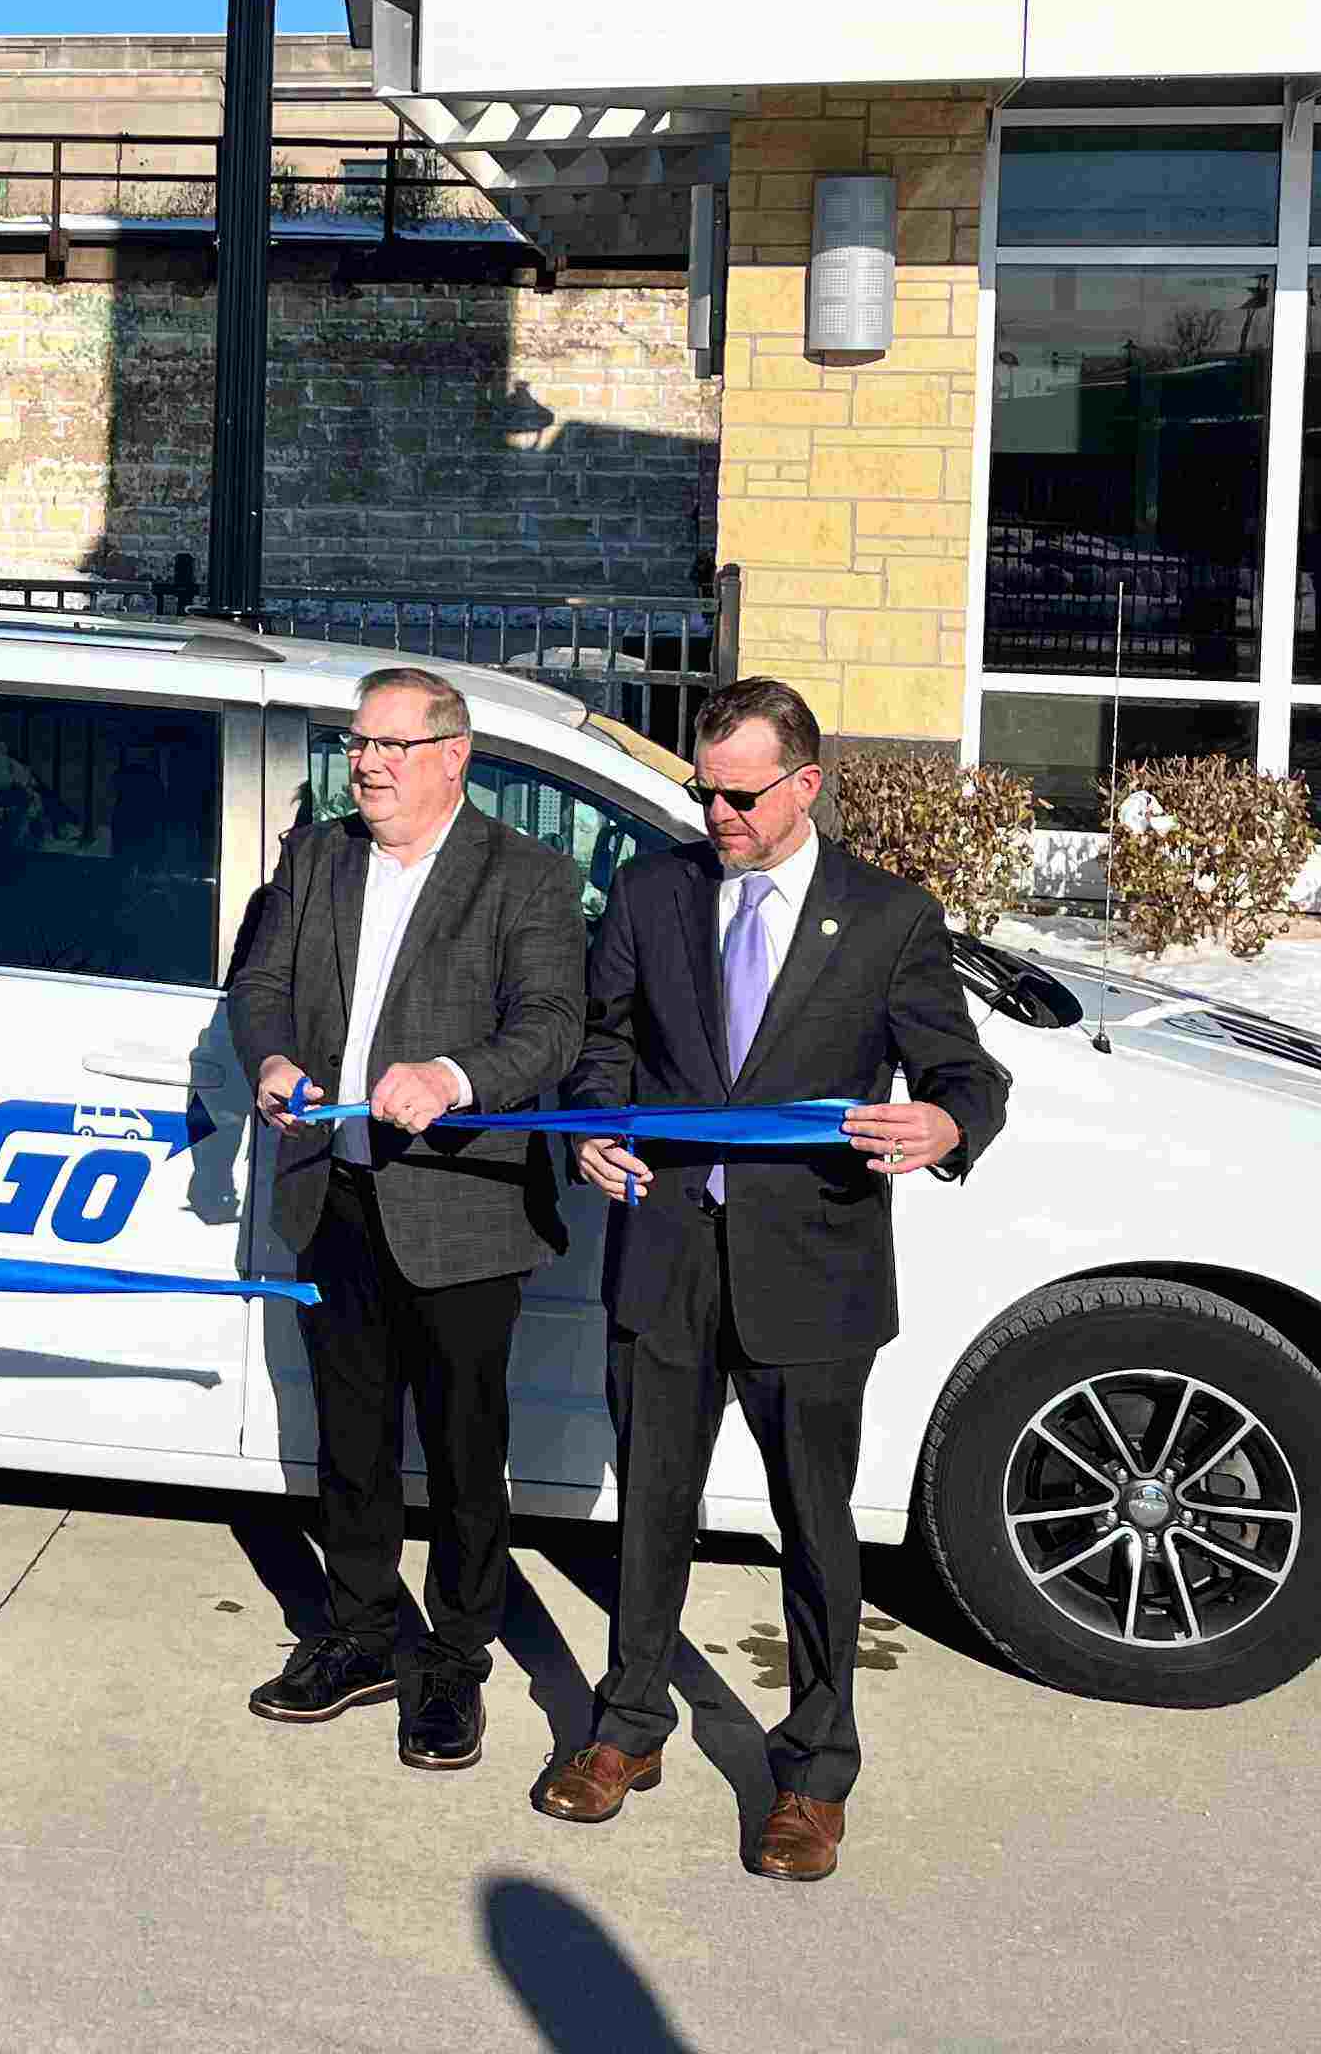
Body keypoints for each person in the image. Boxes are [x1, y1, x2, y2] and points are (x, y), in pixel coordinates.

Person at [533, 676, 1013, 1883]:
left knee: (813, 1529)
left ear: (805, 786)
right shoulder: (652, 893)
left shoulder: (890, 916)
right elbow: (603, 1041)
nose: (720, 815)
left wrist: (944, 1129)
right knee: (647, 1510)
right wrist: (595, 1124)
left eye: (742, 795)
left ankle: (811, 1772)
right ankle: (627, 1728)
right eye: (706, 791)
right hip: (667, 1255)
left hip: (812, 1272)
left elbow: (965, 1074)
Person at [230, 664, 587, 1773]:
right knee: (352, 1440)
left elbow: (553, 1027)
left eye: (390, 746)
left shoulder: (525, 877)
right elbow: (259, 984)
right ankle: (363, 1633)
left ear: (453, 756)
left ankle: (457, 1659)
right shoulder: (320, 858)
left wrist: (454, 1076)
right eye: (357, 744)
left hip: (462, 1209)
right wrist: (276, 1057)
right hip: (331, 1192)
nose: (368, 765)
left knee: (467, 1452)